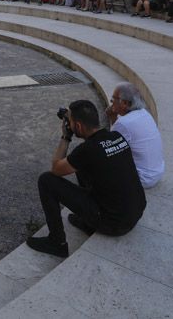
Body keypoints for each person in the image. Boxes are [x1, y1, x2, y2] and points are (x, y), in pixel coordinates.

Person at [26, 100, 146, 257]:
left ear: (79, 126)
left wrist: (65, 136)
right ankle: (88, 222)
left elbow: (56, 169)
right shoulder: (116, 136)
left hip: (114, 223)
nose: (67, 123)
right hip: (135, 213)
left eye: (70, 121)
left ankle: (56, 242)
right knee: (79, 166)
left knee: (46, 181)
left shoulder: (87, 150)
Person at [105, 84, 164, 188]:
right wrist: (113, 116)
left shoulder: (124, 123)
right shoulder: (144, 113)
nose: (111, 102)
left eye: (113, 99)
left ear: (124, 103)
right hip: (157, 172)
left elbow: (110, 147)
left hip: (143, 178)